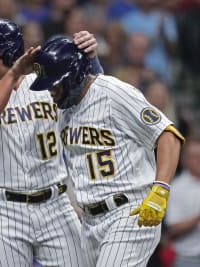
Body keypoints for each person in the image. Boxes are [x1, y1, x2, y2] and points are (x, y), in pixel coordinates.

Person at [0, 18, 102, 267]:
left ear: (13, 51)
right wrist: (13, 72)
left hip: (55, 204)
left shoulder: (46, 84)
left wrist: (92, 58)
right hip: (2, 209)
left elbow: (95, 99)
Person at [29, 36, 184, 267]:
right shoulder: (64, 108)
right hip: (90, 221)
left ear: (73, 76)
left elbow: (168, 135)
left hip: (129, 211)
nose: (50, 90)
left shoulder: (113, 91)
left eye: (55, 83)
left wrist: (160, 191)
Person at [165, 138, 200, 267]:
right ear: (185, 160)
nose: (199, 160)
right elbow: (172, 229)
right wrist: (197, 218)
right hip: (188, 257)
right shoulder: (176, 188)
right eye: (196, 156)